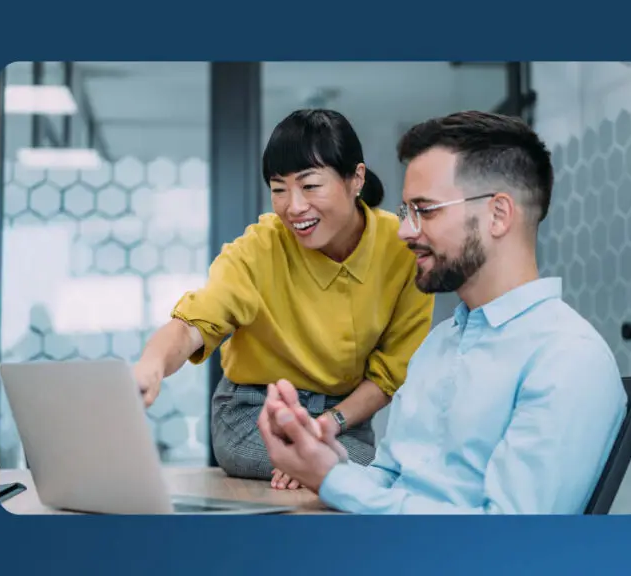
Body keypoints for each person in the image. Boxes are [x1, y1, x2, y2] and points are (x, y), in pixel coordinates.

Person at [257, 110, 627, 514]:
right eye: (406, 212)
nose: (404, 231)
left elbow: (507, 537)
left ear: (498, 215)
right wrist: (319, 461)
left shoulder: (568, 358)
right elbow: (389, 478)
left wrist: (333, 480)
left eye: (426, 210)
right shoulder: (438, 345)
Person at [133, 109, 435, 489]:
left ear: (356, 178)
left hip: (345, 420)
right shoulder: (259, 248)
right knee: (349, 473)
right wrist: (152, 363)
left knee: (379, 472)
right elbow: (196, 322)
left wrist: (324, 430)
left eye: (310, 186)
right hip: (254, 414)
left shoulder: (403, 248)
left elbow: (391, 374)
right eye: (279, 189)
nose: (294, 207)